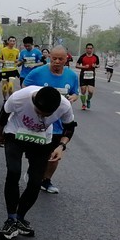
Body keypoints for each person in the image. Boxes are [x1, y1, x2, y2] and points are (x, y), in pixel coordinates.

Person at [0, 85, 77, 240]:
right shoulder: (20, 97)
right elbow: (3, 116)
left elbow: (69, 128)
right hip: (16, 132)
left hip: (42, 138)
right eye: (39, 113)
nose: (42, 117)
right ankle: (10, 218)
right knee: (13, 172)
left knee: (35, 181)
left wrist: (61, 146)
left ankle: (20, 217)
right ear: (34, 103)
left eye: (47, 115)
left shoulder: (64, 105)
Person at [22, 46, 80, 194]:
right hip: (38, 122)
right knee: (36, 154)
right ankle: (33, 170)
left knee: (54, 154)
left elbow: (75, 93)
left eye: (60, 59)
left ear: (66, 59)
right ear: (49, 58)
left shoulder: (71, 76)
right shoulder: (38, 72)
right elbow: (24, 87)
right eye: (53, 58)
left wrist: (73, 98)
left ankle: (46, 180)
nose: (56, 62)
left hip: (59, 124)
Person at [76, 43, 100, 110]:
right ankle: (83, 104)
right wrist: (83, 67)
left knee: (91, 91)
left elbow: (98, 65)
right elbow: (77, 65)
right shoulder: (82, 57)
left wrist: (95, 66)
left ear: (93, 49)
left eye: (90, 48)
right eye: (88, 48)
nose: (89, 49)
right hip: (83, 75)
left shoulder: (95, 57)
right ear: (86, 49)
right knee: (83, 91)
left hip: (91, 76)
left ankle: (88, 100)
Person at [0, 35, 21, 100]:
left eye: (13, 41)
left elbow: (19, 59)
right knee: (4, 87)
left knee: (10, 86)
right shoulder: (3, 50)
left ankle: (10, 99)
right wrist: (2, 61)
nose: (12, 42)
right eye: (11, 41)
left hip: (13, 70)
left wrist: (17, 61)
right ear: (8, 41)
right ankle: (5, 99)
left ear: (15, 42)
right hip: (5, 70)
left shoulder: (17, 51)